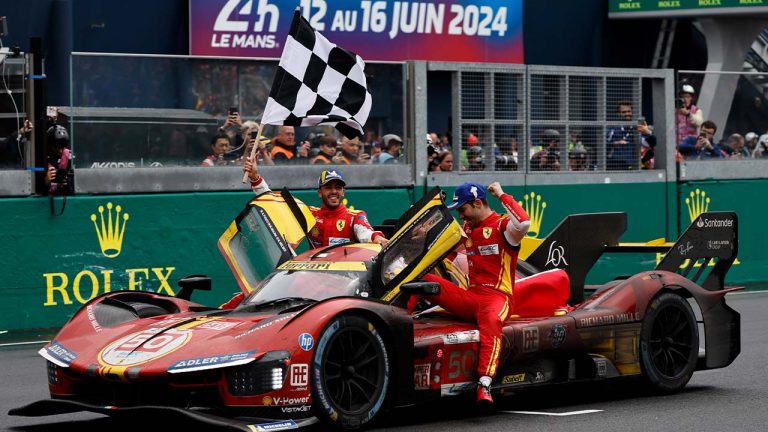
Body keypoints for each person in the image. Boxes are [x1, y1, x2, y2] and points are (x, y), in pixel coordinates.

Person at [415, 182, 530, 404]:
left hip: (497, 298)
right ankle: (399, 316)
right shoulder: (467, 228)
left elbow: (524, 221)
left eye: (462, 209)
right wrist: (421, 235)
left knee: (490, 321)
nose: (461, 215)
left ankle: (485, 383)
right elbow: (445, 249)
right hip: (470, 297)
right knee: (420, 280)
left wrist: (502, 195)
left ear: (478, 203)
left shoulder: (504, 227)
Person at [244, 158, 388, 248]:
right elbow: (274, 204)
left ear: (343, 192)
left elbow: (365, 233)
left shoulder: (355, 216)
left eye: (338, 187)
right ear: (320, 192)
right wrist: (255, 178)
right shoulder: (309, 214)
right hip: (315, 280)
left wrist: (377, 238)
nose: (333, 191)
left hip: (345, 281)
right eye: (328, 187)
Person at [606, 101, 655, 170]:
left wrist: (649, 133)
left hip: (632, 165)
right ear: (618, 113)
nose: (627, 114)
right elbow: (602, 145)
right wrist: (615, 143)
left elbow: (652, 143)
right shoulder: (612, 128)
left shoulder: (638, 128)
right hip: (614, 164)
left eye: (629, 111)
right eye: (624, 112)